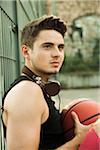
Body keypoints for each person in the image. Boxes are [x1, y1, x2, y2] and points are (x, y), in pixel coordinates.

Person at [2, 15, 99, 150]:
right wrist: (79, 140)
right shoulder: (26, 92)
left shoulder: (37, 88)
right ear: (26, 51)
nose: (57, 54)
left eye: (60, 47)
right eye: (47, 46)